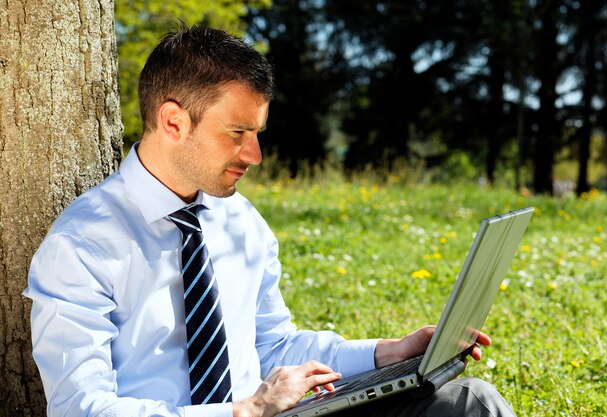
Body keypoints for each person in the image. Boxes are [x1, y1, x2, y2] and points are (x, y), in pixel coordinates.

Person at [24, 25, 516, 417]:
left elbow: (274, 344)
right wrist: (245, 411)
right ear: (174, 121)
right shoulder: (83, 243)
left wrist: (389, 353)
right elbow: (79, 408)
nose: (255, 155)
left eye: (256, 133)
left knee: (471, 403)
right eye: (238, 132)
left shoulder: (239, 219)